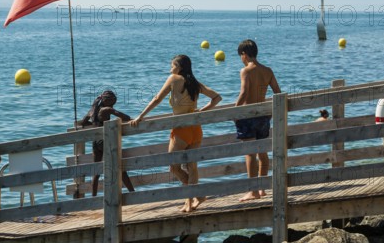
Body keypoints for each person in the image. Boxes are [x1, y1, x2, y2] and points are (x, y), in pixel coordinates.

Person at [130, 54, 222, 212]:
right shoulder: (194, 82)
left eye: (172, 65)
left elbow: (158, 98)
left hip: (181, 130)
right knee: (192, 167)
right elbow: (217, 98)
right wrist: (200, 111)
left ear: (179, 67)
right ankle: (192, 200)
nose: (170, 68)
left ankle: (193, 199)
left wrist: (141, 116)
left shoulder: (174, 78)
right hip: (195, 128)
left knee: (174, 167)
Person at [235, 39, 281, 202]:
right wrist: (271, 112)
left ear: (244, 54)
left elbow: (244, 93)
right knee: (262, 152)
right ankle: (262, 189)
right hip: (263, 115)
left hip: (248, 115)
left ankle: (253, 191)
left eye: (240, 56)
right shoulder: (267, 71)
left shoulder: (246, 70)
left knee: (250, 154)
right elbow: (277, 92)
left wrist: (235, 111)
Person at [80, 90, 135, 197]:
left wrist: (95, 124)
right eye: (113, 101)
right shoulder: (107, 109)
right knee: (119, 168)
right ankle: (132, 193)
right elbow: (125, 117)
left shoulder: (92, 110)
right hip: (105, 141)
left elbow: (83, 122)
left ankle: (93, 198)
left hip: (95, 142)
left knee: (96, 172)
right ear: (109, 101)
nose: (114, 104)